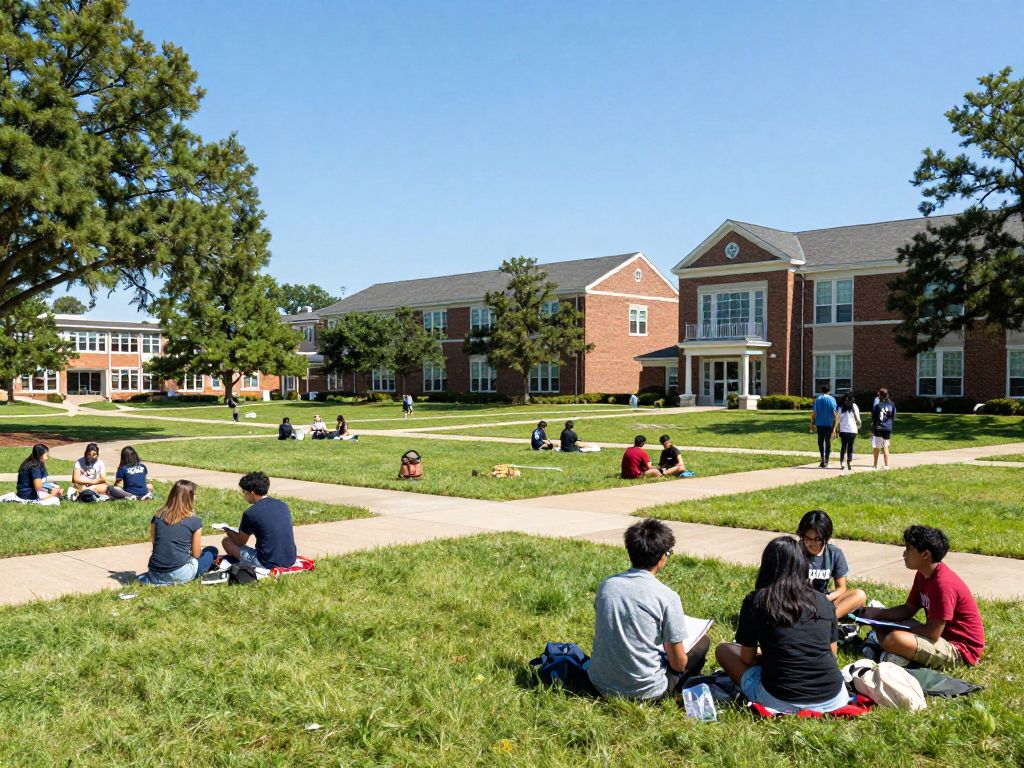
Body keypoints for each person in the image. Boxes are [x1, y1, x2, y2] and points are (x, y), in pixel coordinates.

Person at [715, 536, 850, 714]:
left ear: (767, 566)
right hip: (835, 698)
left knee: (723, 650)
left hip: (781, 700)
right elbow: (832, 653)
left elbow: (747, 658)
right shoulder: (823, 601)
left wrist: (780, 654)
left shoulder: (756, 601)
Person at [587, 518, 710, 699]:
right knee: (703, 642)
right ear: (662, 557)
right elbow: (678, 664)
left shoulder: (607, 586)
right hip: (647, 691)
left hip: (599, 683)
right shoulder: (667, 597)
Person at [859, 525, 984, 669]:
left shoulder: (943, 584)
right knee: (888, 624)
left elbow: (932, 633)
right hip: (938, 637)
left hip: (960, 651)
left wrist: (896, 629)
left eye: (908, 549)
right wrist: (877, 615)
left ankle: (888, 650)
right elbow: (908, 609)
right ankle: (890, 648)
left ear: (925, 554)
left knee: (894, 638)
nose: (904, 554)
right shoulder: (923, 574)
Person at [141, 479, 219, 585]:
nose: (196, 497)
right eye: (194, 494)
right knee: (211, 551)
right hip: (181, 574)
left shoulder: (158, 516)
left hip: (155, 573)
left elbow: (155, 542)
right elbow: (196, 554)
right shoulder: (194, 521)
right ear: (189, 497)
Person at [797, 510, 866, 619]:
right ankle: (823, 620)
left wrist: (826, 598)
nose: (812, 544)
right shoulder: (794, 552)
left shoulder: (834, 553)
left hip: (824, 600)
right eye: (807, 539)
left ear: (826, 537)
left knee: (859, 595)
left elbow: (841, 588)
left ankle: (828, 621)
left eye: (818, 539)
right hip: (799, 601)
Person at [221, 471, 297, 569]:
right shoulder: (282, 505)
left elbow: (241, 542)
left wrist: (228, 531)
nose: (244, 495)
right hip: (290, 559)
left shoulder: (250, 513)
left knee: (227, 541)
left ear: (252, 493)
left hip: (267, 562)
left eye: (244, 491)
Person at [809, 384, 838, 468]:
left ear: (821, 391)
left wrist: (812, 423)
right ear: (829, 390)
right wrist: (835, 427)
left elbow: (814, 413)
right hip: (829, 423)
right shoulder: (832, 399)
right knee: (828, 441)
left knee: (820, 442)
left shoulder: (818, 399)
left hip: (820, 423)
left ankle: (822, 459)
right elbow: (835, 413)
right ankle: (826, 460)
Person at [871, 388, 896, 470]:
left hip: (879, 427)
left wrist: (873, 427)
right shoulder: (892, 404)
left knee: (876, 447)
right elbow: (893, 416)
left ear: (880, 395)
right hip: (887, 428)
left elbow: (874, 417)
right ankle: (886, 465)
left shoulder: (878, 405)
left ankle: (875, 465)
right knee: (886, 446)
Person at [836, 393, 861, 471]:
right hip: (852, 430)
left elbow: (838, 419)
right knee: (850, 446)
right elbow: (858, 420)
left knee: (843, 446)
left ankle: (842, 462)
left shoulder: (841, 407)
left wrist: (836, 428)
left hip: (844, 430)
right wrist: (858, 427)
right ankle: (849, 462)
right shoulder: (855, 406)